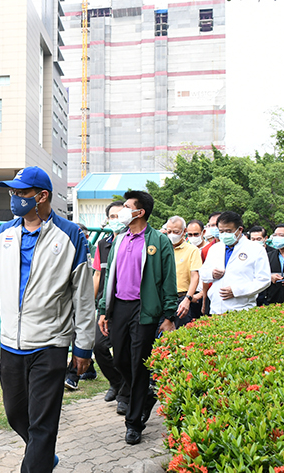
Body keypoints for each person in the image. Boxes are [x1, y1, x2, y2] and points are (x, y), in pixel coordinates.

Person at [0, 166, 96, 472]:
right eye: (12, 192)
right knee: (16, 414)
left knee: (43, 423)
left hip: (50, 343)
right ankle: (42, 455)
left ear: (42, 196)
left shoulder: (70, 236)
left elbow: (83, 297)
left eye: (21, 193)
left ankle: (36, 461)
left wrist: (83, 347)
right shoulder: (4, 234)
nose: (14, 197)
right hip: (11, 343)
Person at [97, 190, 177, 445]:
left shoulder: (159, 241)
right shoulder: (119, 239)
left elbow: (168, 279)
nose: (122, 211)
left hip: (145, 309)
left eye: (127, 206)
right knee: (121, 360)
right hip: (119, 307)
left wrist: (169, 314)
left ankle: (134, 424)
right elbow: (109, 277)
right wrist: (103, 310)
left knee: (139, 363)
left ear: (140, 212)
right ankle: (146, 393)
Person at [89, 202, 130, 414]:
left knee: (123, 352)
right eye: (112, 216)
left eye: (119, 216)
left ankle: (125, 396)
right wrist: (91, 301)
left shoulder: (133, 242)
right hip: (105, 306)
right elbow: (97, 275)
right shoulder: (102, 245)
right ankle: (116, 382)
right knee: (99, 346)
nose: (116, 220)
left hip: (125, 304)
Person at [199, 211, 271, 315]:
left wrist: (237, 291)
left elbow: (264, 280)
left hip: (241, 308)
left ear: (240, 230)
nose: (224, 234)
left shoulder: (255, 249)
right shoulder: (215, 249)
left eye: (228, 231)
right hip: (216, 308)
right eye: (221, 231)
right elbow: (203, 273)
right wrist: (212, 274)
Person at [64, 225, 99, 391]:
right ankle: (89, 368)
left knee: (80, 334)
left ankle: (73, 375)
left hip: (85, 298)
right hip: (67, 298)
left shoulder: (93, 251)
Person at [165, 215, 202, 328]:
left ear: (184, 231)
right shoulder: (162, 249)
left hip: (182, 298)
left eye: (176, 232)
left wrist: (187, 299)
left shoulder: (192, 250)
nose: (172, 234)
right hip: (164, 299)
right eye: (169, 231)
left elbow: (195, 276)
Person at [185, 219, 207, 318]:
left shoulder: (211, 250)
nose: (193, 237)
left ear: (203, 232)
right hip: (188, 296)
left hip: (205, 295)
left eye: (196, 234)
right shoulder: (186, 250)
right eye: (190, 234)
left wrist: (201, 294)